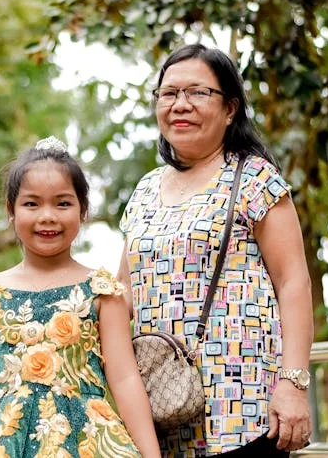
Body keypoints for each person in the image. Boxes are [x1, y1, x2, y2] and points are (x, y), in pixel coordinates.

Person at [117, 44, 314, 457]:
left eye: (197, 92)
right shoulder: (145, 190)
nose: (180, 104)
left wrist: (293, 384)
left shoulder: (255, 178)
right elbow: (125, 293)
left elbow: (293, 282)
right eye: (169, 93)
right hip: (163, 409)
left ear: (230, 109)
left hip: (243, 412)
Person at [0, 137, 161, 458]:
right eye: (31, 204)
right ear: (11, 211)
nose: (47, 216)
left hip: (86, 443)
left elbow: (125, 379)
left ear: (83, 211)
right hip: (3, 443)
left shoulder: (102, 291)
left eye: (62, 203)